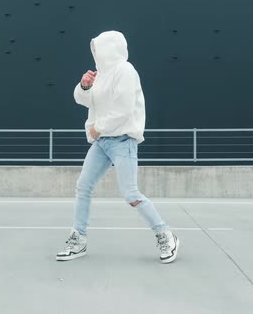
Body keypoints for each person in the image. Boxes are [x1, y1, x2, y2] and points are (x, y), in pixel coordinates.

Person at [56, 31, 179, 264]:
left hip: (122, 140)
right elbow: (83, 100)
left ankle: (165, 234)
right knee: (83, 187)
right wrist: (84, 86)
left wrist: (98, 128)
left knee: (130, 193)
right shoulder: (100, 74)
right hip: (102, 142)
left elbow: (124, 108)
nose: (96, 52)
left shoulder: (126, 70)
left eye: (98, 48)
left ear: (108, 48)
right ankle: (78, 238)